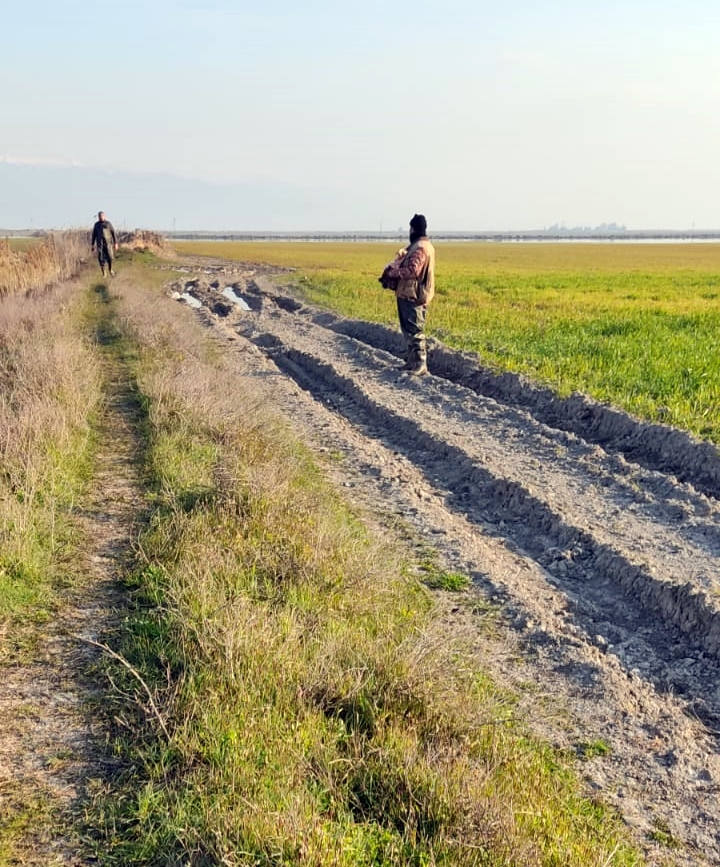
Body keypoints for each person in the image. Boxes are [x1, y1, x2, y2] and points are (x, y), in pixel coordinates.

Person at [379, 213, 436, 375]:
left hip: (413, 294)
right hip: (410, 293)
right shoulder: (424, 245)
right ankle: (412, 362)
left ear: (413, 229)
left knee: (414, 329)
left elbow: (413, 270)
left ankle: (420, 364)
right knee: (409, 329)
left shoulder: (420, 248)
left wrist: (393, 272)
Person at [90, 211, 118, 277]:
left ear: (104, 216)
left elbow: (113, 233)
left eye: (102, 216)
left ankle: (110, 269)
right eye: (99, 216)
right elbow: (94, 235)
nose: (100, 217)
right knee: (101, 258)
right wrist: (92, 245)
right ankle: (104, 273)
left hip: (108, 244)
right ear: (98, 217)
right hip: (100, 244)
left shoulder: (108, 223)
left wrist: (115, 243)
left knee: (110, 257)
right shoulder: (96, 224)